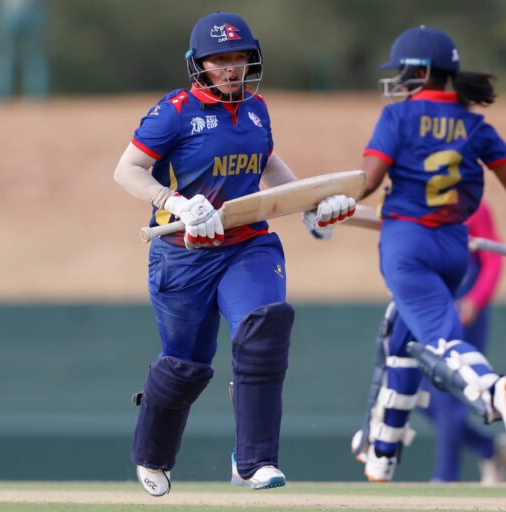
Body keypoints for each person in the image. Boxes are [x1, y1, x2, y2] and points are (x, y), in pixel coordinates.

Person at [113, 12, 356, 496]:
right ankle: (152, 453)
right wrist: (176, 202)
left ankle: (253, 462)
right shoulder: (175, 112)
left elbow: (267, 163)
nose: (231, 67)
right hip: (182, 254)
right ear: (199, 64)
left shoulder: (257, 109)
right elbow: (128, 170)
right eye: (219, 59)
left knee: (264, 327)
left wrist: (310, 204)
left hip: (246, 244)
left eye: (239, 57)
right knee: (186, 367)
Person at [352, 25, 506, 482]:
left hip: (408, 245)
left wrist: (330, 202)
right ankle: (383, 453)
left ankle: (495, 392)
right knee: (400, 339)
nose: (398, 79)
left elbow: (368, 181)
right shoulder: (475, 125)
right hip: (454, 249)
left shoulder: (398, 117)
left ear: (422, 72)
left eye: (404, 71)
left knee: (440, 342)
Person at [418, 202, 506, 484]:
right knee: (419, 394)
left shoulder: (473, 207)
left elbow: (493, 259)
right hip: (431, 312)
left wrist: (476, 299)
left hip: (464, 314)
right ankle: (489, 449)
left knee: (450, 392)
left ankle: (445, 478)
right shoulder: (417, 201)